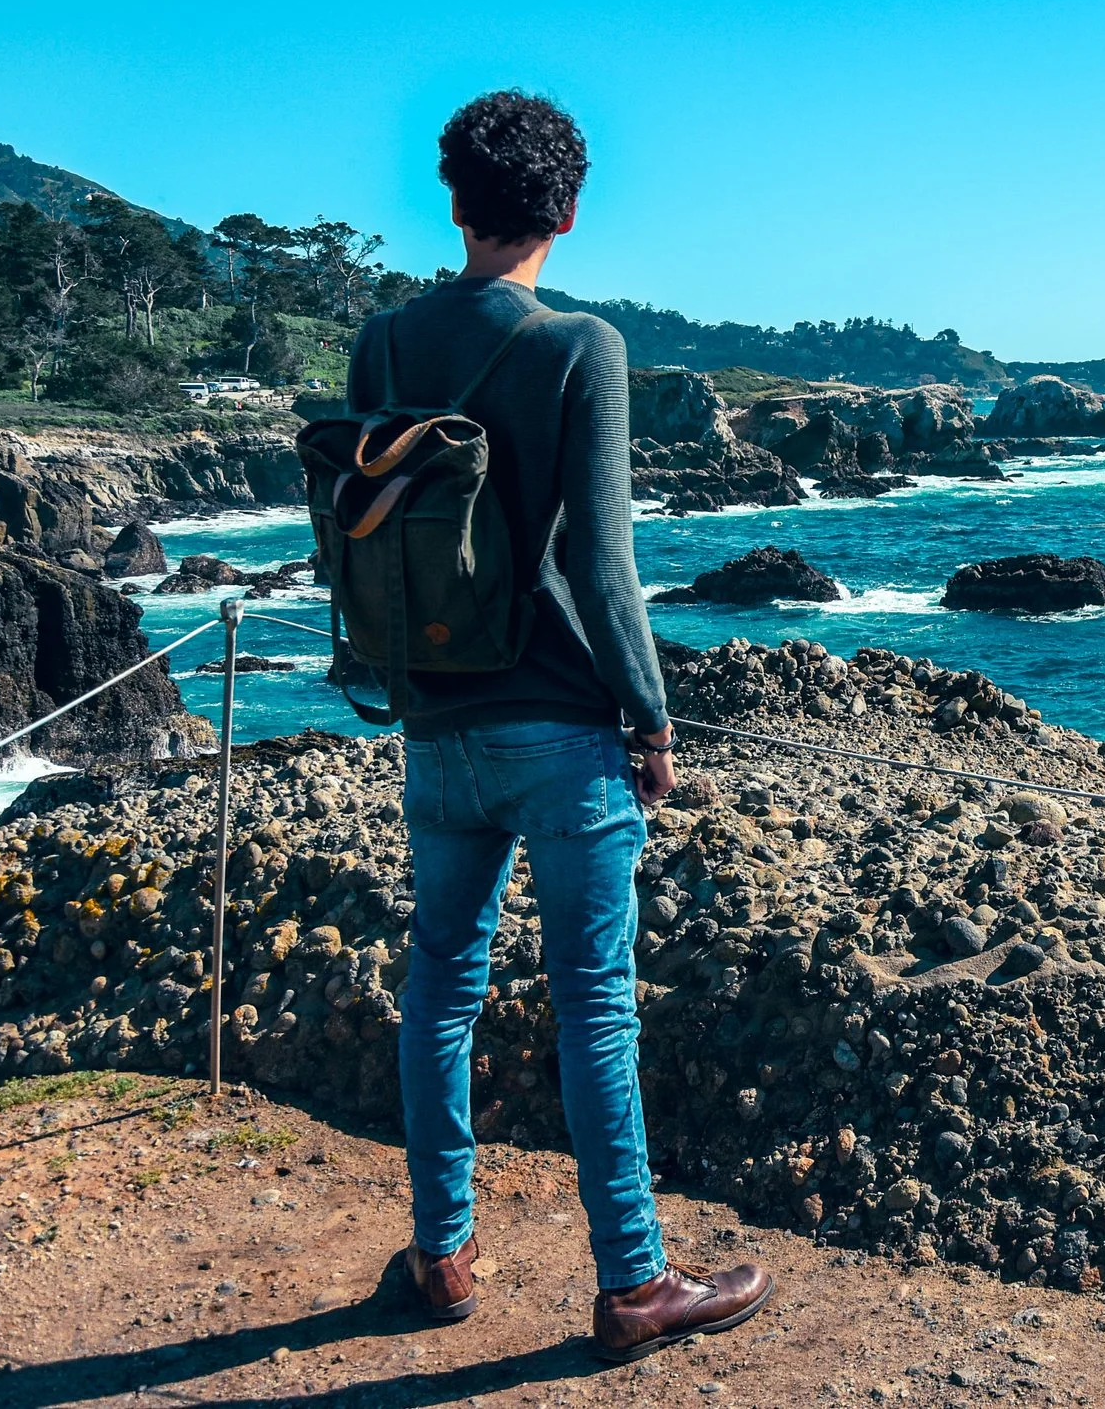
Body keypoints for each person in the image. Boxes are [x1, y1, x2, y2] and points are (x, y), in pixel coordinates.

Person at [345, 90, 772, 1361]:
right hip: (560, 729)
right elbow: (604, 564)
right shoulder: (580, 345)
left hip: (431, 720)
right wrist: (650, 716)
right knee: (593, 1005)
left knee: (439, 987)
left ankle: (443, 1251)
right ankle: (636, 1284)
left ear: (456, 201)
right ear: (569, 212)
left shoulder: (380, 342)